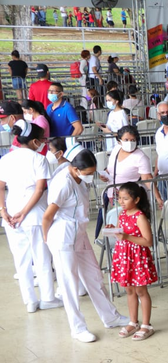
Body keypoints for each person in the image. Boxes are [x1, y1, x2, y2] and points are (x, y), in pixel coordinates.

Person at [42, 145, 129, 342]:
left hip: (79, 233)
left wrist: (99, 175)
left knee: (94, 276)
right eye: (88, 173)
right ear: (75, 168)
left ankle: (111, 317)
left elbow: (91, 174)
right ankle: (78, 328)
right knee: (70, 284)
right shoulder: (63, 183)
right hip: (62, 236)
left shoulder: (80, 175)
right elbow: (47, 217)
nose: (91, 176)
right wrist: (48, 241)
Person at [0, 120, 62, 313]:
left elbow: (1, 187)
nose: (44, 142)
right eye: (42, 139)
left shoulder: (6, 159)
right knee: (42, 257)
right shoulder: (39, 159)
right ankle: (48, 298)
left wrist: (4, 211)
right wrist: (25, 212)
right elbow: (39, 189)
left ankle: (30, 301)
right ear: (35, 141)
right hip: (34, 214)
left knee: (21, 260)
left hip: (11, 213)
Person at [107, 182, 158, 341]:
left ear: (136, 200)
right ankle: (133, 321)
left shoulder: (140, 217)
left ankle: (146, 324)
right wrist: (113, 229)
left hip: (137, 258)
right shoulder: (122, 214)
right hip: (124, 256)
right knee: (129, 290)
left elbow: (148, 241)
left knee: (141, 291)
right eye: (119, 198)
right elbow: (121, 232)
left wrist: (127, 237)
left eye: (125, 198)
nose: (121, 202)